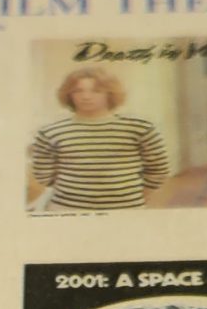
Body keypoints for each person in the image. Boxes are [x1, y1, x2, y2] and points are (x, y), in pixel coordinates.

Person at [28, 69, 171, 212]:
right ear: (68, 95)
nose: (86, 97)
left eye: (96, 91)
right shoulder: (50, 132)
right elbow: (43, 175)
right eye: (77, 91)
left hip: (126, 209)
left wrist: (135, 197)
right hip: (67, 209)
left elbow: (158, 170)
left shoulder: (140, 128)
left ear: (110, 94)